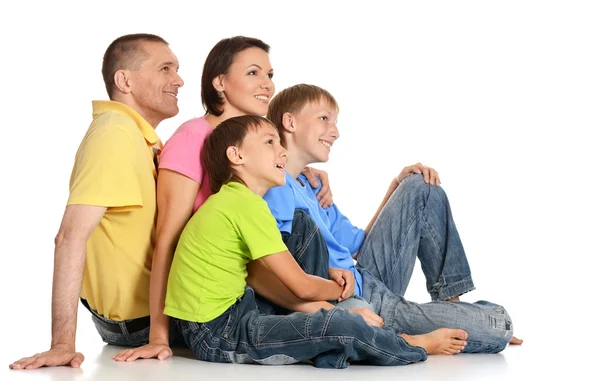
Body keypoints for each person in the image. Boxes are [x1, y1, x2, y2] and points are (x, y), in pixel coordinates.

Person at [163, 114, 469, 368]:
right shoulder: (243, 205)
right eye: (270, 143)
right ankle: (411, 343)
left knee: (303, 224)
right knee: (340, 326)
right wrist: (340, 290)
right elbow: (303, 286)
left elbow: (300, 278)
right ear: (236, 155)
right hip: (218, 332)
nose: (282, 151)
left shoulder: (239, 201)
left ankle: (322, 345)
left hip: (238, 309)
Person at [113, 36, 334, 363]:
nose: (267, 85)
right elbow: (167, 242)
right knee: (357, 313)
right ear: (219, 82)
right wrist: (158, 336)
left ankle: (334, 319)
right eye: (254, 73)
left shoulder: (255, 144)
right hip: (219, 304)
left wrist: (302, 173)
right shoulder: (191, 139)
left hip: (258, 282)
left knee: (304, 232)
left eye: (270, 76)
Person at [262, 84, 523, 354]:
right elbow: (281, 266)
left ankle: (451, 302)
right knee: (496, 325)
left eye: (335, 122)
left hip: (366, 278)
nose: (335, 132)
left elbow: (361, 245)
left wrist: (395, 187)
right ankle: (468, 319)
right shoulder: (275, 189)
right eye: (324, 119)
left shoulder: (313, 185)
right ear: (290, 122)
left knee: (420, 184)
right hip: (351, 297)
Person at [9, 33, 184, 370]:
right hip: (145, 325)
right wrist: (62, 345)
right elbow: (70, 236)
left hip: (153, 317)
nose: (178, 79)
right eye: (165, 68)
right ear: (124, 81)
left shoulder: (139, 137)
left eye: (176, 69)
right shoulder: (114, 133)